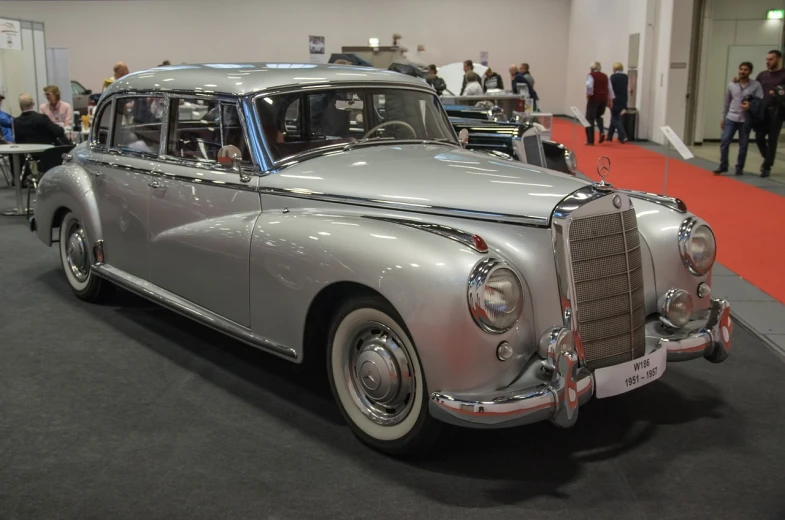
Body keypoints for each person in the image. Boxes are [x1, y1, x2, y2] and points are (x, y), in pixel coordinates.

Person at [714, 62, 763, 176]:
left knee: (743, 144)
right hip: (731, 117)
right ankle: (723, 165)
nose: (742, 71)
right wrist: (723, 118)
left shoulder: (756, 85)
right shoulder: (732, 85)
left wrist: (750, 106)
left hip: (746, 118)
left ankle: (739, 167)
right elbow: (726, 102)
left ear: (750, 71)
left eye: (745, 70)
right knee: (725, 141)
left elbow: (760, 100)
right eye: (741, 69)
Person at [754, 49, 785, 177]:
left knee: (772, 139)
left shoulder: (784, 75)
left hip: (777, 111)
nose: (768, 62)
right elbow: (753, 87)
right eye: (767, 59)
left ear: (779, 59)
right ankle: (768, 158)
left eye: (771, 59)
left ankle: (766, 166)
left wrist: (778, 93)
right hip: (763, 111)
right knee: (759, 137)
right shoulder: (762, 75)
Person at [585, 61, 614, 145]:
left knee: (590, 119)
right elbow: (610, 88)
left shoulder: (591, 75)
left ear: (592, 68)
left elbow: (589, 86)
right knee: (599, 116)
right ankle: (601, 131)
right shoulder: (605, 76)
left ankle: (590, 140)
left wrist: (588, 96)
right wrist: (610, 100)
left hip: (594, 98)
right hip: (603, 99)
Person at [606, 63, 629, 143]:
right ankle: (609, 136)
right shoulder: (625, 77)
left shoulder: (613, 77)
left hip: (615, 100)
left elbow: (610, 89)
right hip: (623, 100)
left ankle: (623, 136)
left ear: (615, 69)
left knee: (615, 118)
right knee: (614, 117)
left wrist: (608, 100)